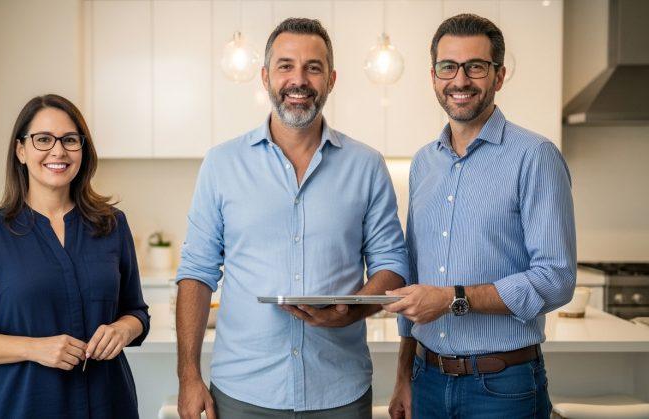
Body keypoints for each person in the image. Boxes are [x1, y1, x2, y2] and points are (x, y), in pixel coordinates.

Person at [175, 17, 409, 419]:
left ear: (331, 80)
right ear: (265, 76)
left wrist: (352, 309)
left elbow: (392, 264)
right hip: (243, 392)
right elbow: (196, 272)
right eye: (286, 66)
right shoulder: (221, 164)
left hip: (339, 391)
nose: (298, 80)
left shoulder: (367, 165)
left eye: (312, 68)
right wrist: (188, 375)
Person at [383, 14, 576, 419]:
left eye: (475, 67)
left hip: (502, 388)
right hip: (426, 378)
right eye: (448, 67)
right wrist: (403, 375)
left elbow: (556, 279)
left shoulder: (534, 157)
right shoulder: (424, 163)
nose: (460, 80)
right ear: (433, 76)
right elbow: (414, 275)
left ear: (499, 76)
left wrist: (453, 299)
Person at [0, 94, 150, 418]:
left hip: (108, 404)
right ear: (21, 150)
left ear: (83, 149)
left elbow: (136, 312)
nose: (58, 151)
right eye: (43, 139)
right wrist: (34, 348)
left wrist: (123, 329)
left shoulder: (112, 224)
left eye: (70, 140)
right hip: (24, 406)